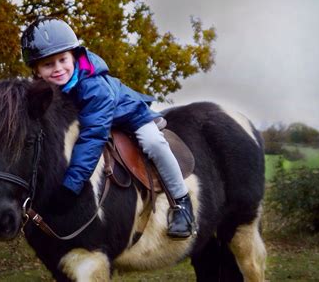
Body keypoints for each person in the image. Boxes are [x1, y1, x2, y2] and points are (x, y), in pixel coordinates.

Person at [21, 17, 195, 238]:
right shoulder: (48, 90)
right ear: (36, 71)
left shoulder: (93, 87)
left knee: (154, 143)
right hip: (95, 119)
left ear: (73, 56)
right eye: (48, 64)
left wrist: (70, 187)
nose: (58, 69)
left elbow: (93, 135)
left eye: (62, 59)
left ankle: (182, 203)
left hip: (130, 115)